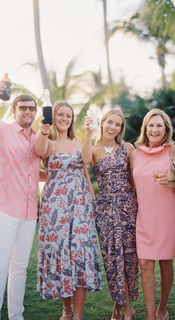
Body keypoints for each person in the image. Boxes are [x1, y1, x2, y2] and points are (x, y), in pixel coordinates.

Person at [35, 101, 102, 320]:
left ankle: (79, 314)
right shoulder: (48, 141)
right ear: (53, 117)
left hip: (80, 204)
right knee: (62, 252)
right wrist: (43, 130)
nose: (64, 118)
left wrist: (90, 134)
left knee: (80, 253)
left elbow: (84, 163)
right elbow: (39, 150)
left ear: (72, 119)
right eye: (60, 114)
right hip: (56, 205)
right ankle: (66, 309)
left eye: (68, 115)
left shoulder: (77, 141)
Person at [83, 109, 138, 320]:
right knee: (112, 257)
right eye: (109, 122)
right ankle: (127, 309)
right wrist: (88, 133)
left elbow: (137, 175)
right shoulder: (94, 149)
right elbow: (85, 160)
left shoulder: (127, 147)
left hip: (127, 206)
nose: (112, 127)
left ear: (121, 128)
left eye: (117, 124)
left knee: (128, 257)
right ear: (102, 122)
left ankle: (120, 303)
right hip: (105, 209)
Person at [131, 108, 175, 320]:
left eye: (159, 125)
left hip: (168, 215)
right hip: (144, 216)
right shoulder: (135, 153)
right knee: (144, 264)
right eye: (151, 125)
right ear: (145, 128)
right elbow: (131, 185)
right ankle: (151, 316)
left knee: (165, 263)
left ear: (166, 129)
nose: (155, 129)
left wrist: (170, 183)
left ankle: (162, 308)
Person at [0, 95, 40, 320]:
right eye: (23, 108)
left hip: (29, 212)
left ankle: (16, 316)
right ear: (14, 110)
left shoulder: (38, 138)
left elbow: (34, 171)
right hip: (5, 209)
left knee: (20, 267)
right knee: (1, 265)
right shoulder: (4, 131)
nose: (28, 112)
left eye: (31, 108)